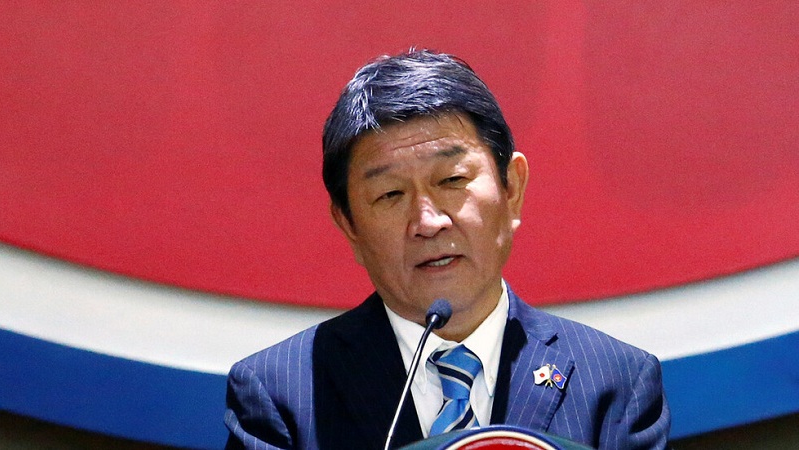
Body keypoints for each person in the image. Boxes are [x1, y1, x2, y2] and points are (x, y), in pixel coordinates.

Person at [224, 49, 670, 450]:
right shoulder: (281, 394)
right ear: (349, 225)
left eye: (452, 180)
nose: (428, 222)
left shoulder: (615, 381)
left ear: (511, 189)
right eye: (390, 194)